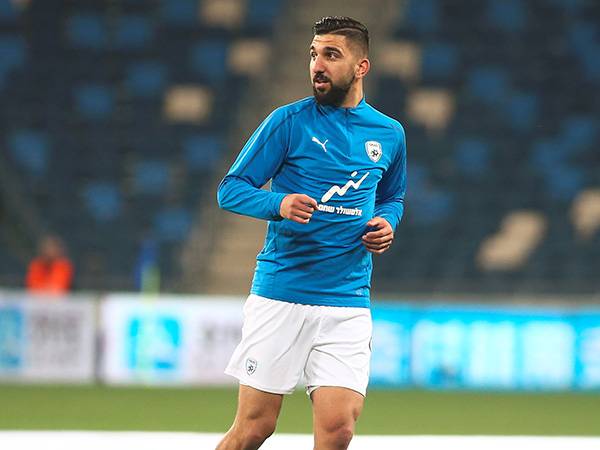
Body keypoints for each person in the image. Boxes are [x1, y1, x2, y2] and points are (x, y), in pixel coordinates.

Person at [216, 16, 407, 450]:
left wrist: (387, 223)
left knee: (339, 429)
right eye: (314, 54)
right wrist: (278, 204)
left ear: (361, 67)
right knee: (255, 427)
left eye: (331, 55)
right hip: (282, 293)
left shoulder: (390, 133)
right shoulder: (288, 122)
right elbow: (230, 189)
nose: (318, 65)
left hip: (347, 299)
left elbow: (392, 197)